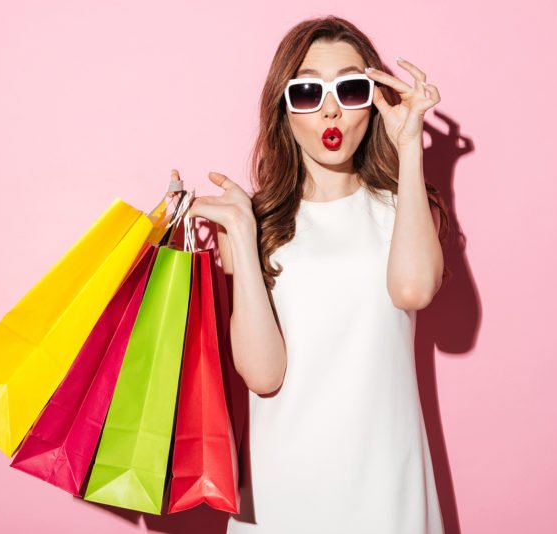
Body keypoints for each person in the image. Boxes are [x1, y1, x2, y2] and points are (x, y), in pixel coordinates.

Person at [182, 15, 450, 534]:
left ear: (373, 104)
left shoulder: (407, 210)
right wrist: (241, 231)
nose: (331, 109)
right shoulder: (256, 225)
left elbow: (413, 289)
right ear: (283, 109)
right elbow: (263, 375)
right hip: (284, 490)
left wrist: (410, 146)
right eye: (307, 92)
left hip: (386, 485)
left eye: (351, 89)